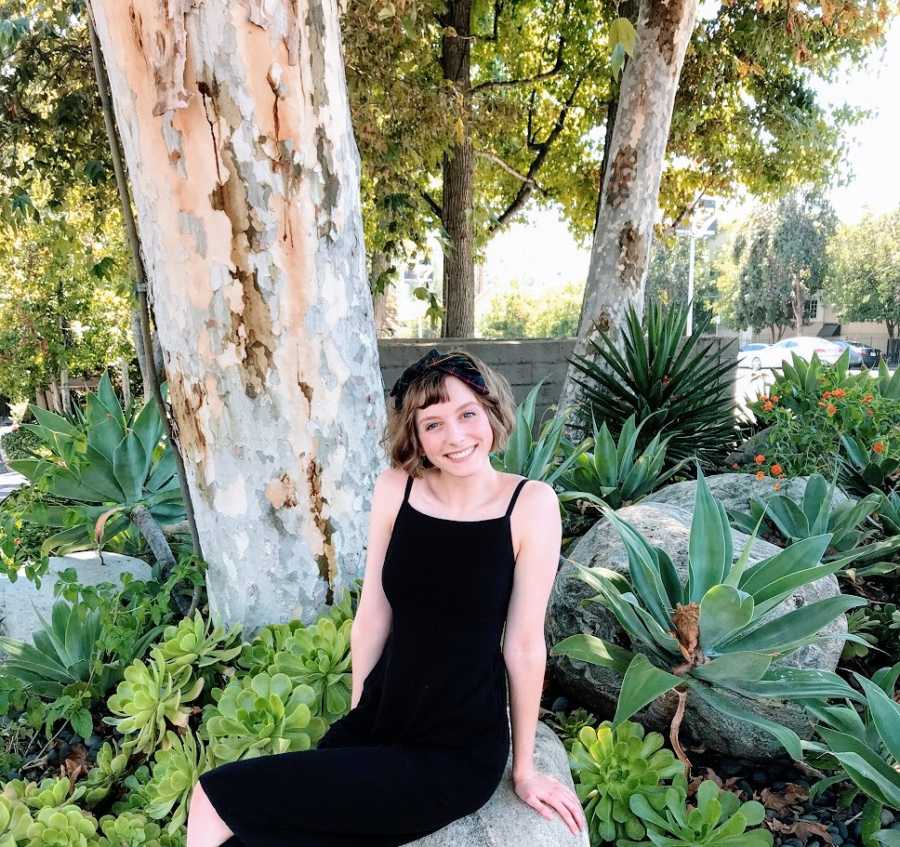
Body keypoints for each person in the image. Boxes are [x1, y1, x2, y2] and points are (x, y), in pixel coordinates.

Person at [186, 348, 585, 847]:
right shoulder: (396, 489)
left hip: (457, 749)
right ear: (414, 436)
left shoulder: (530, 505)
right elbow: (373, 612)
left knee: (213, 795)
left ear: (491, 411)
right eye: (433, 424)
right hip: (382, 716)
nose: (456, 437)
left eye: (466, 414)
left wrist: (524, 770)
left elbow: (524, 646)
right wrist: (357, 714)